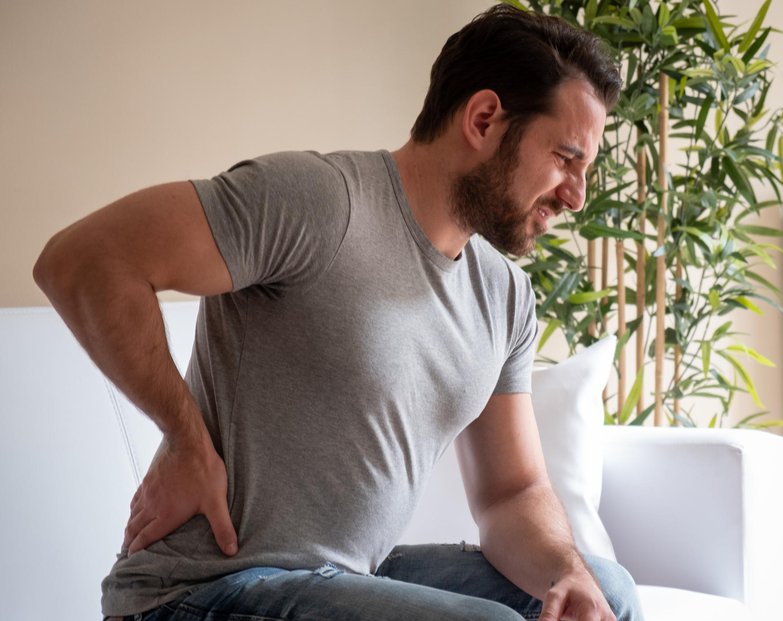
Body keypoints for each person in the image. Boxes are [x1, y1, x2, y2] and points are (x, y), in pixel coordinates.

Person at [34, 5, 643, 620]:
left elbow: (514, 494)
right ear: (484, 120)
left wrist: (568, 572)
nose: (576, 196)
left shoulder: (504, 296)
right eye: (566, 158)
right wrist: (186, 439)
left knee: (604, 591)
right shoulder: (318, 202)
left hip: (346, 580)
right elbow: (83, 261)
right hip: (203, 590)